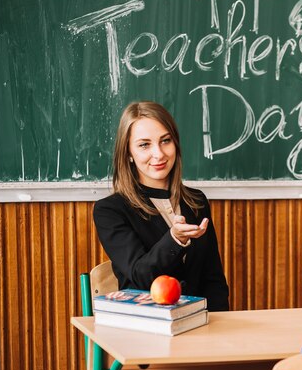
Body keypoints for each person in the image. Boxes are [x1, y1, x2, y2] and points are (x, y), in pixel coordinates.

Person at [93, 101, 229, 311]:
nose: (159, 154)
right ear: (128, 152)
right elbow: (141, 276)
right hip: (146, 327)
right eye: (144, 145)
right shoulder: (110, 210)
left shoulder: (196, 201)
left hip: (200, 326)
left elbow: (213, 280)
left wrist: (221, 328)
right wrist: (175, 239)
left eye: (165, 141)